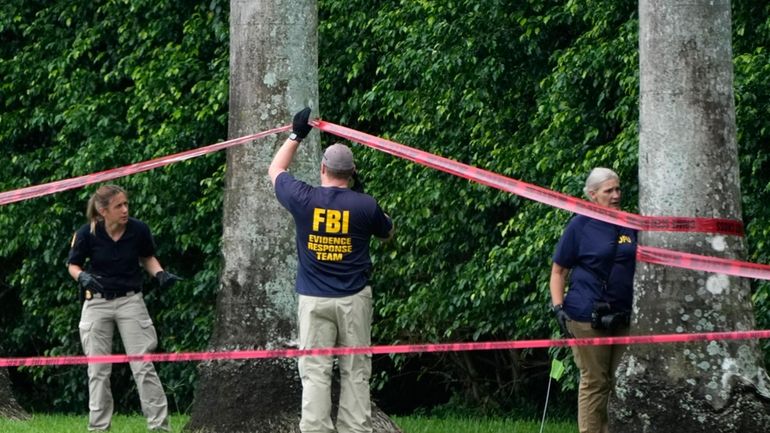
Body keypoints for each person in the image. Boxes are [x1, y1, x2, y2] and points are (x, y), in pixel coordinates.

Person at [269, 107, 394, 433]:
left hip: (313, 300)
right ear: (351, 172)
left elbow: (275, 169)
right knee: (356, 371)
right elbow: (388, 232)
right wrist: (364, 200)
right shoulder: (365, 204)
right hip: (354, 300)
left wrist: (297, 134)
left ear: (323, 168)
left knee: (315, 372)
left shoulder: (303, 198)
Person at [67, 184, 181, 432]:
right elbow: (73, 265)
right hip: (96, 302)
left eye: (126, 204)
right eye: (119, 205)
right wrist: (82, 277)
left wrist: (160, 274)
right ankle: (98, 428)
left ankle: (160, 427)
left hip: (131, 301)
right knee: (98, 369)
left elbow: (147, 257)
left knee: (143, 365)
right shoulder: (87, 233)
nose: (125, 209)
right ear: (102, 210)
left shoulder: (138, 230)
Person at [549, 167, 637, 433]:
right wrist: (558, 308)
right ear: (592, 194)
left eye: (618, 189)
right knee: (595, 381)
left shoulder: (628, 222)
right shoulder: (580, 224)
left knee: (617, 381)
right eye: (608, 190)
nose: (615, 195)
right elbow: (558, 271)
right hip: (587, 315)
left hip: (622, 315)